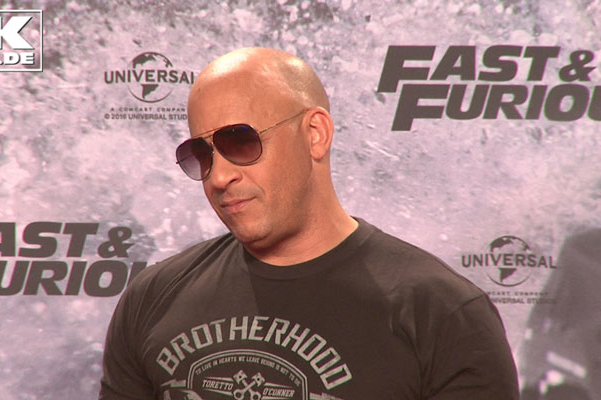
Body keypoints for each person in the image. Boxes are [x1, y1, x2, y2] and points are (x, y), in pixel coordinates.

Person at [99, 47, 519, 400]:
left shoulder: (442, 314)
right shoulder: (150, 300)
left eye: (240, 141)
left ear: (315, 134)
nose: (220, 176)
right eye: (201, 155)